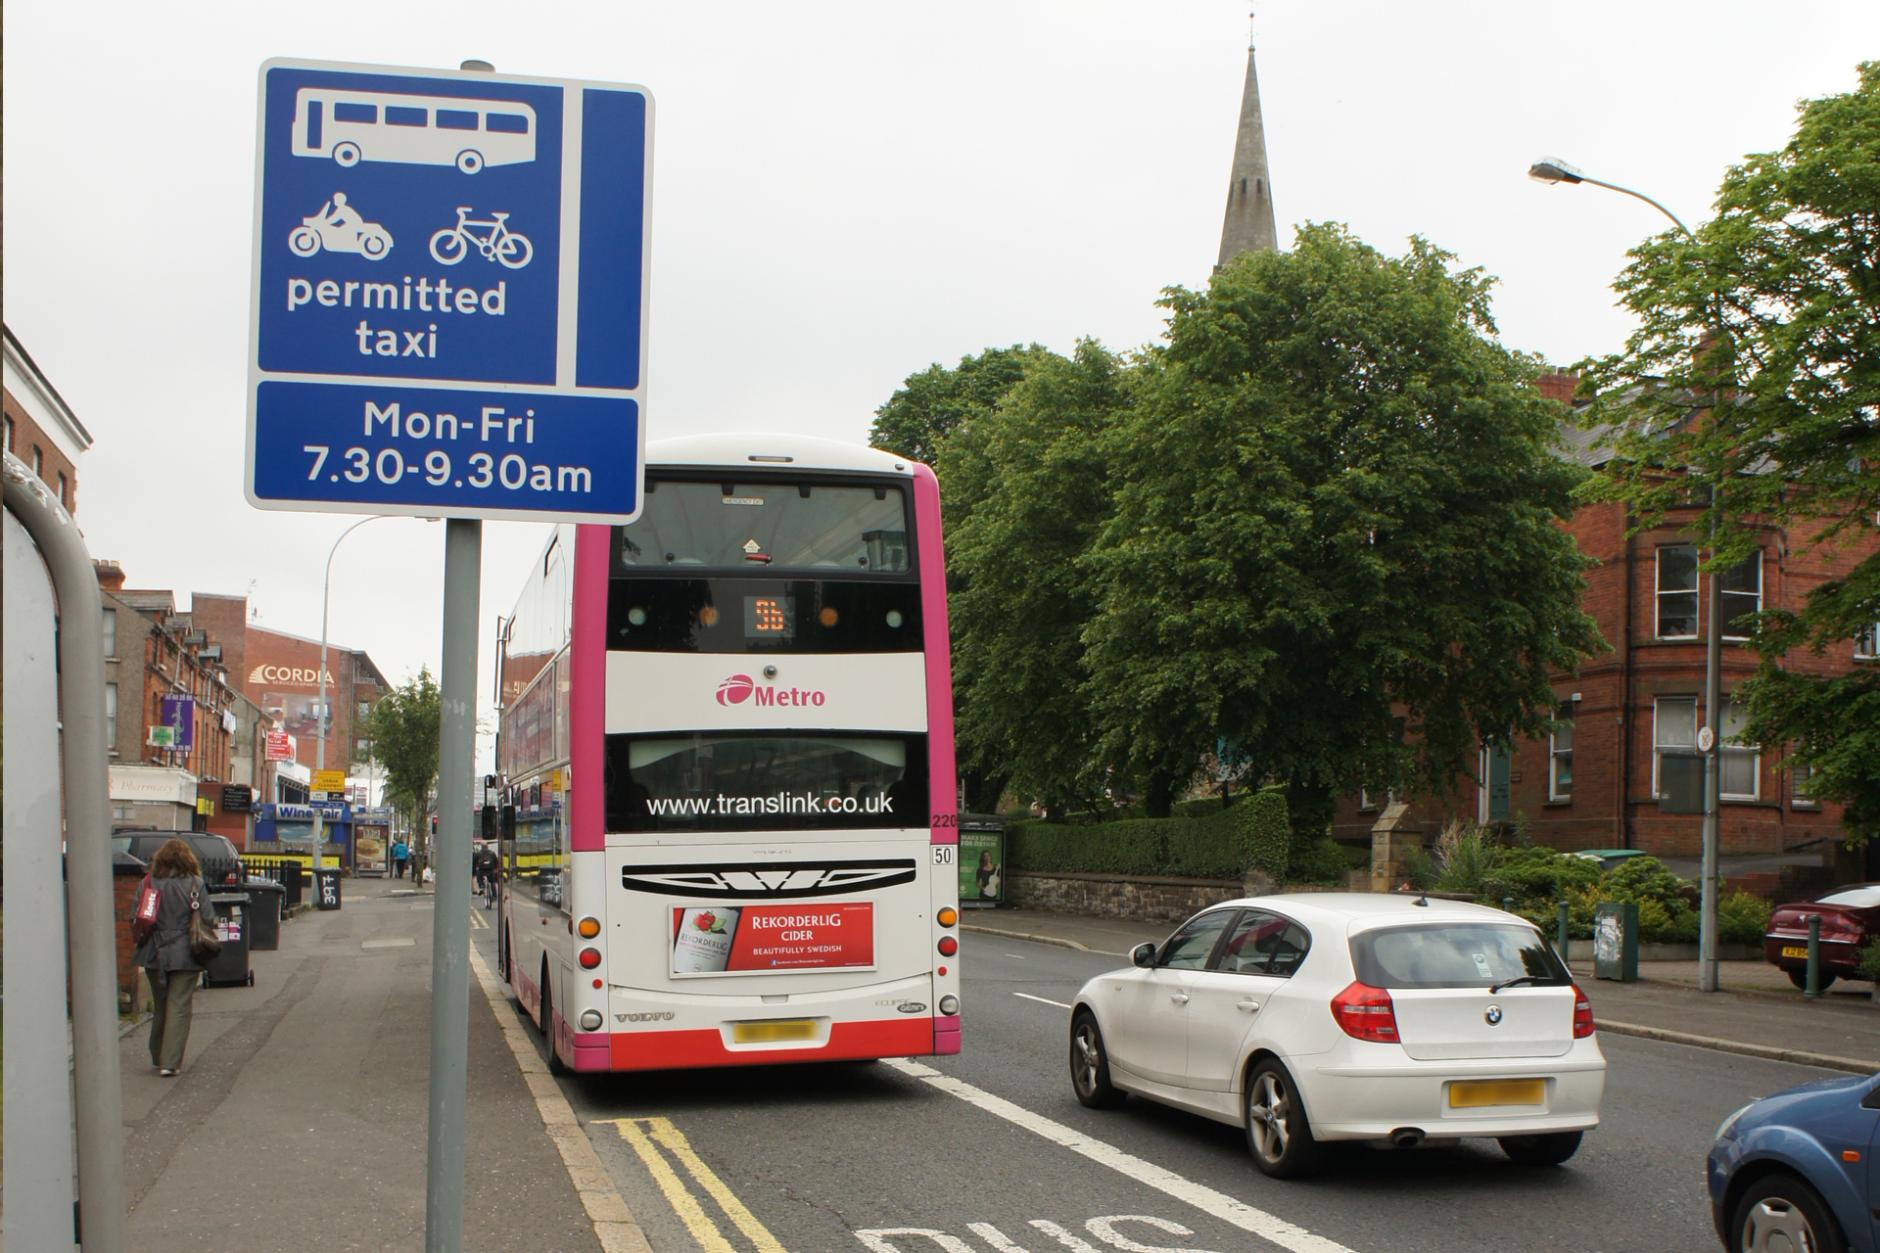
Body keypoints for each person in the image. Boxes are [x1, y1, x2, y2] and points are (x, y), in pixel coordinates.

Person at [131, 837, 218, 1077]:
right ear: (187, 859)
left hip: (153, 952)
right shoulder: (195, 884)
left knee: (161, 1005)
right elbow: (208, 917)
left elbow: (136, 917)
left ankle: (158, 1055)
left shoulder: (147, 883)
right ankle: (170, 1062)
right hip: (185, 953)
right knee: (178, 1005)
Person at [474, 842, 500, 908]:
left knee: (478, 876)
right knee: (492, 882)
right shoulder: (492, 853)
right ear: (487, 846)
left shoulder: (478, 853)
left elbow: (474, 862)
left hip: (482, 870)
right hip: (490, 870)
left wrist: (476, 867)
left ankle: (481, 886)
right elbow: (496, 861)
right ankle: (494, 896)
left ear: (482, 847)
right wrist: (496, 869)